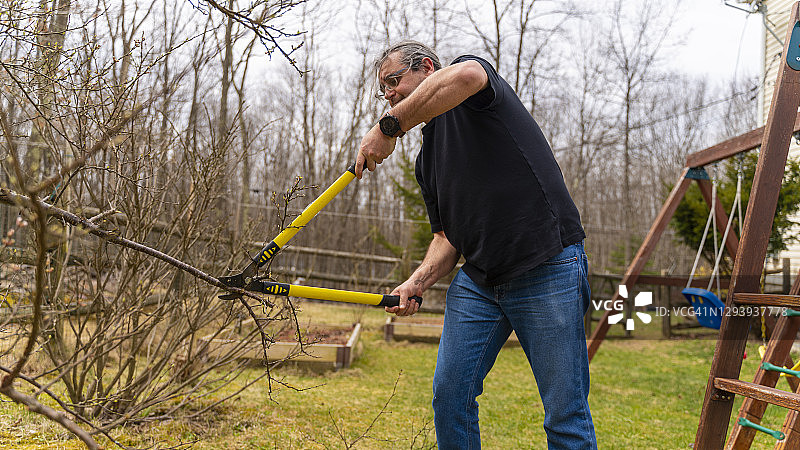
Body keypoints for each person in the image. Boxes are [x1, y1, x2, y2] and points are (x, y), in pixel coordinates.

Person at [356, 40, 596, 450]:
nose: (390, 94)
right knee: (450, 397)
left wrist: (387, 125)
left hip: (547, 267)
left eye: (394, 81)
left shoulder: (474, 90)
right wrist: (417, 280)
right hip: (480, 283)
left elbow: (465, 77)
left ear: (427, 68)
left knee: (564, 415)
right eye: (384, 90)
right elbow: (447, 238)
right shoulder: (427, 159)